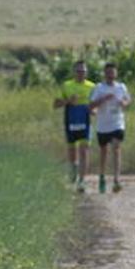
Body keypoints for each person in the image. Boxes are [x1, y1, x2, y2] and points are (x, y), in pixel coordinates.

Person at [89, 62, 131, 194]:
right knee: (104, 152)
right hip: (103, 125)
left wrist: (122, 103)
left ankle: (116, 179)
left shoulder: (121, 87)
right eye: (108, 73)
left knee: (116, 147)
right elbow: (91, 106)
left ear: (116, 73)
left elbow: (127, 101)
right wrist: (103, 99)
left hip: (117, 123)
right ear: (104, 74)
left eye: (113, 72)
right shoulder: (99, 88)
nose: (110, 75)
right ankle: (102, 177)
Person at [54, 61, 95, 192]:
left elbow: (97, 104)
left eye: (83, 71)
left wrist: (94, 110)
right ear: (74, 72)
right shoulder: (67, 85)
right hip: (71, 119)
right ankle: (73, 171)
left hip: (86, 121)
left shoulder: (92, 86)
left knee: (84, 149)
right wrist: (68, 101)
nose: (80, 74)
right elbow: (55, 104)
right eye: (78, 71)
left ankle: (82, 181)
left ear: (86, 73)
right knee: (72, 151)